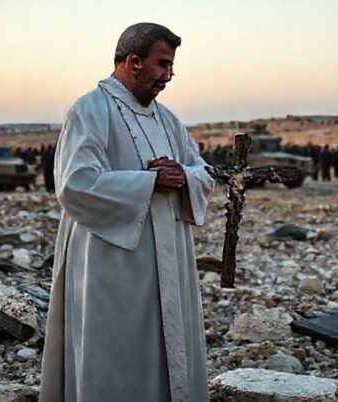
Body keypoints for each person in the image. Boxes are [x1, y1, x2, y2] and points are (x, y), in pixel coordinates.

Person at [40, 23, 214, 402]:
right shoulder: (90, 110)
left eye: (171, 66)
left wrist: (183, 175)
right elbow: (75, 184)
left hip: (169, 257)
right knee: (116, 349)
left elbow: (201, 170)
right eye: (162, 65)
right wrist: (147, 182)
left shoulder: (167, 119)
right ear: (134, 61)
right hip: (112, 262)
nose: (169, 76)